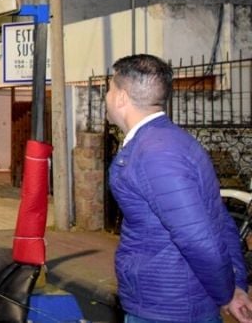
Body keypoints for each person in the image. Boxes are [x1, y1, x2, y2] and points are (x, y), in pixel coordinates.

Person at [106, 54, 252, 323]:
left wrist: (228, 294)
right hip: (176, 301)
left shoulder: (155, 153)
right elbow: (217, 217)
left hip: (166, 307)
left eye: (110, 88)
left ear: (121, 97)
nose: (108, 95)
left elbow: (197, 237)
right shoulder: (173, 141)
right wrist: (235, 284)